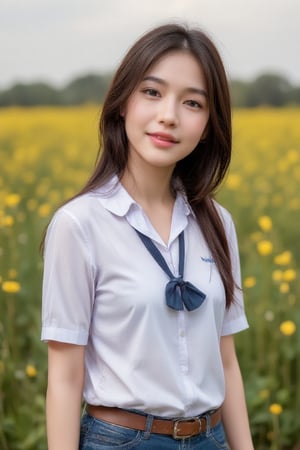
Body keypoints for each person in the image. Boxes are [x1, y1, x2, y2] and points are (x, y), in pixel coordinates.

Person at [41, 22, 254, 450]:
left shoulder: (217, 222)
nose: (169, 115)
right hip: (122, 440)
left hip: (211, 438)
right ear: (122, 103)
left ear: (210, 124)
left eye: (192, 102)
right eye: (152, 93)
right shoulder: (79, 225)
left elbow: (226, 362)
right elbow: (65, 378)